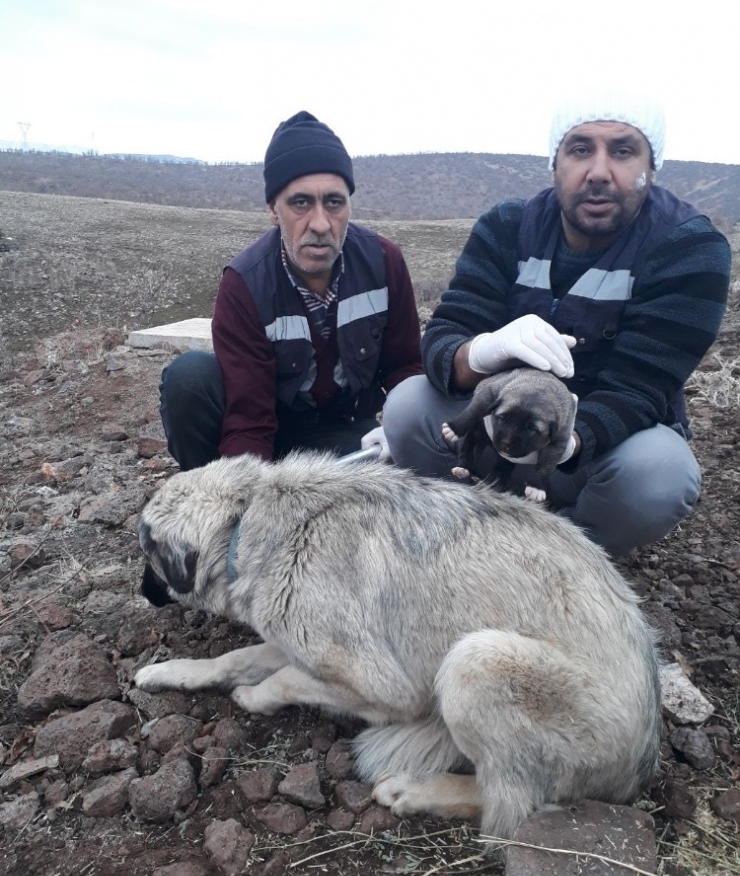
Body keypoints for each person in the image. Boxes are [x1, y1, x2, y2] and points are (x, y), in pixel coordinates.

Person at [382, 92, 732, 557]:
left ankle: (560, 553)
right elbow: (445, 338)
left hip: (595, 454)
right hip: (500, 431)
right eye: (580, 148)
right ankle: (469, 530)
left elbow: (640, 387)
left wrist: (564, 443)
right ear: (556, 161)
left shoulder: (690, 247)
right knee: (408, 405)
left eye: (624, 151)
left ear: (653, 165)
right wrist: (482, 351)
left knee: (660, 476)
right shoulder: (507, 226)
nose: (600, 171)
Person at [160, 111, 422, 469]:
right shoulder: (245, 284)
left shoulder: (384, 262)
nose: (319, 223)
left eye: (334, 202)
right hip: (268, 436)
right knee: (189, 379)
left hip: (346, 436)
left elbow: (407, 367)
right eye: (300, 202)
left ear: (349, 204)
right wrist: (244, 495)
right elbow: (249, 418)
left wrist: (403, 427)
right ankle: (212, 500)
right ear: (273, 210)